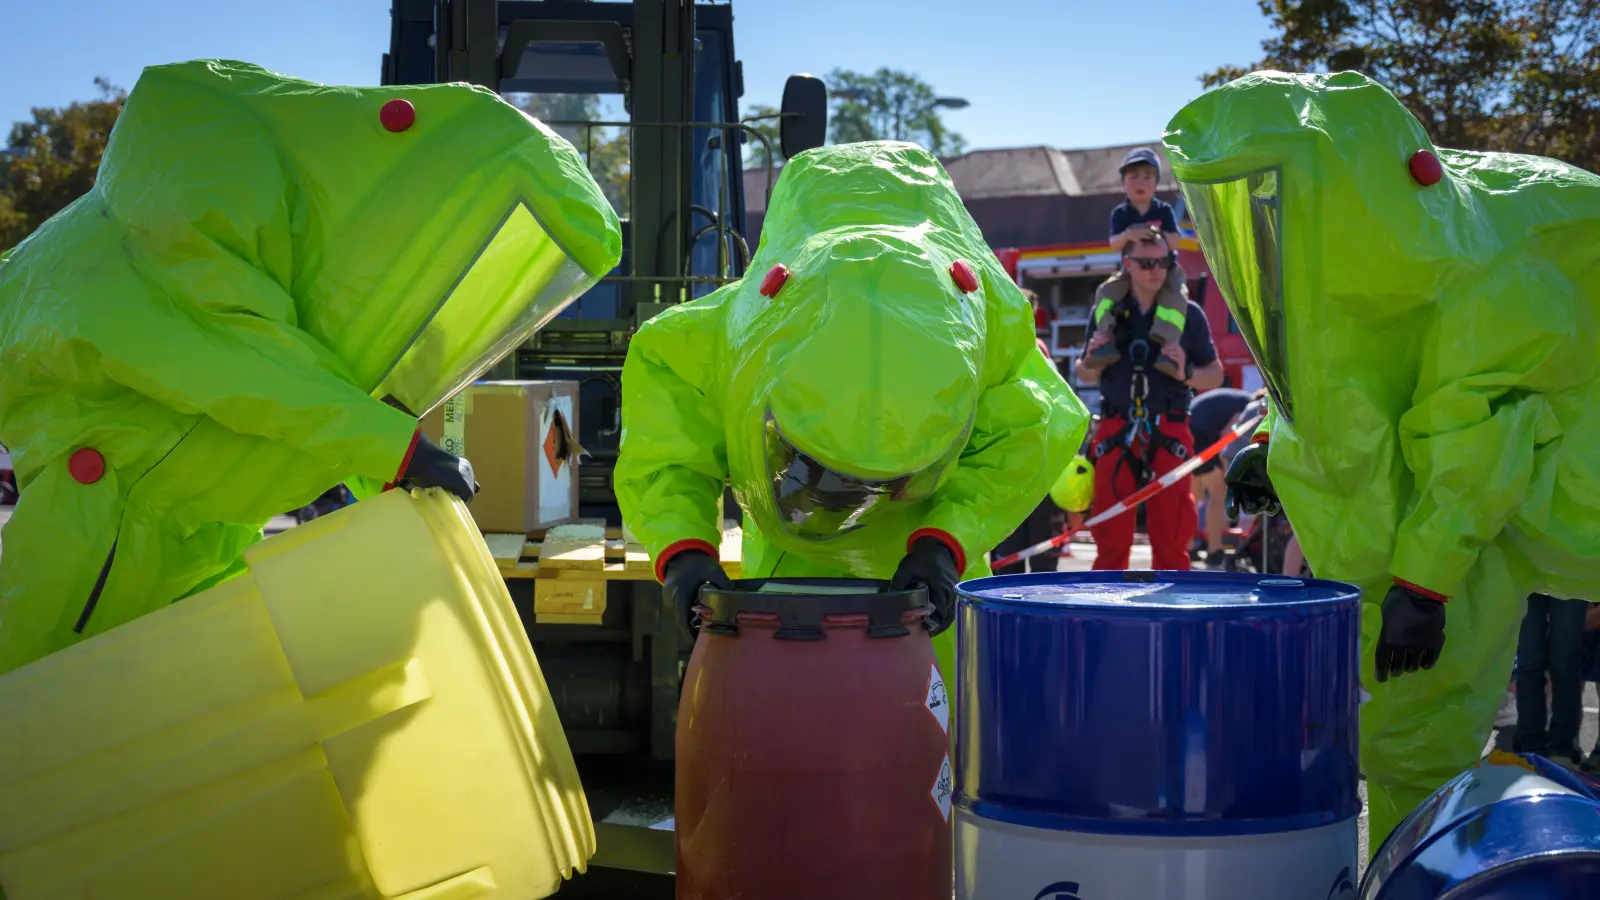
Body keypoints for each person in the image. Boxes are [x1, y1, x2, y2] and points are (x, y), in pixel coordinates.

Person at [0, 60, 623, 676]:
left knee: (165, 728)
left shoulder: (268, 240)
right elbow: (243, 370)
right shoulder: (192, 208)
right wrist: (394, 451)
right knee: (42, 711)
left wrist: (384, 463)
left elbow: (303, 375)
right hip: (105, 517)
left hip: (190, 523)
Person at [1177, 70, 1600, 849]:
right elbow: (1341, 360)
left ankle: (1417, 869)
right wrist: (1271, 446)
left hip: (1534, 505)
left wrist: (1426, 582)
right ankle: (1406, 866)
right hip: (1461, 525)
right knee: (1404, 733)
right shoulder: (1378, 261)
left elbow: (1482, 442)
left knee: (1422, 735)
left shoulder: (1483, 280)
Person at [615, 141, 1088, 688]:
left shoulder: (990, 333)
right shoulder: (724, 337)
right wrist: (684, 552)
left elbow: (1032, 429)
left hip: (910, 596)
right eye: (819, 475)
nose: (855, 504)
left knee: (930, 753)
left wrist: (945, 541)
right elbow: (669, 443)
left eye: (889, 482)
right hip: (833, 599)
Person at [1073, 236, 1224, 571]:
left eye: (1163, 262)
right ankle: (1105, 607)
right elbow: (1082, 372)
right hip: (1115, 426)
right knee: (1110, 530)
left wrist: (1185, 370)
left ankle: (1172, 612)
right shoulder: (1108, 312)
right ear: (1128, 265)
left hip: (1168, 426)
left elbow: (1215, 375)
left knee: (1172, 533)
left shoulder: (1188, 314)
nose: (1156, 270)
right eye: (1146, 263)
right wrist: (1095, 355)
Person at [1082, 147, 1190, 379]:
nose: (1140, 182)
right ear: (1123, 183)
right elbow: (1113, 243)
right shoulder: (1121, 213)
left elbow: (1175, 241)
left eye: (1147, 177)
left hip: (1167, 270)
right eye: (1133, 177)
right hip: (1130, 273)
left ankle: (1167, 350)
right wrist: (1129, 234)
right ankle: (1104, 341)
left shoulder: (1164, 210)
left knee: (1177, 297)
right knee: (1105, 293)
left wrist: (1156, 232)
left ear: (1156, 183)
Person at [1514, 593, 1589, 765]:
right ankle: (1530, 746)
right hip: (1528, 575)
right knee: (1529, 661)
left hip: (1569, 575)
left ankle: (1562, 749)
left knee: (1565, 662)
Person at [1187, 386, 1254, 568]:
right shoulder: (1252, 408)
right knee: (1218, 494)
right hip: (1200, 433)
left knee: (1194, 495)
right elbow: (1228, 437)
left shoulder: (1239, 400)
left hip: (1189, 428)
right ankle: (1214, 550)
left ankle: (1188, 546)